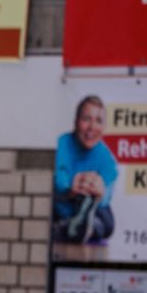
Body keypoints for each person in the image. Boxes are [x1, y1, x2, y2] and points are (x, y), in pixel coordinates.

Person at [53, 95, 119, 245]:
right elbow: (58, 178)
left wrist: (100, 192)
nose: (92, 127)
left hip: (90, 206)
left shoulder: (106, 158)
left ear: (104, 127)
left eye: (98, 121)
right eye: (86, 119)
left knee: (108, 222)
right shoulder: (62, 143)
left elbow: (108, 191)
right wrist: (70, 187)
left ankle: (82, 227)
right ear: (76, 122)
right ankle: (69, 227)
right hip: (63, 204)